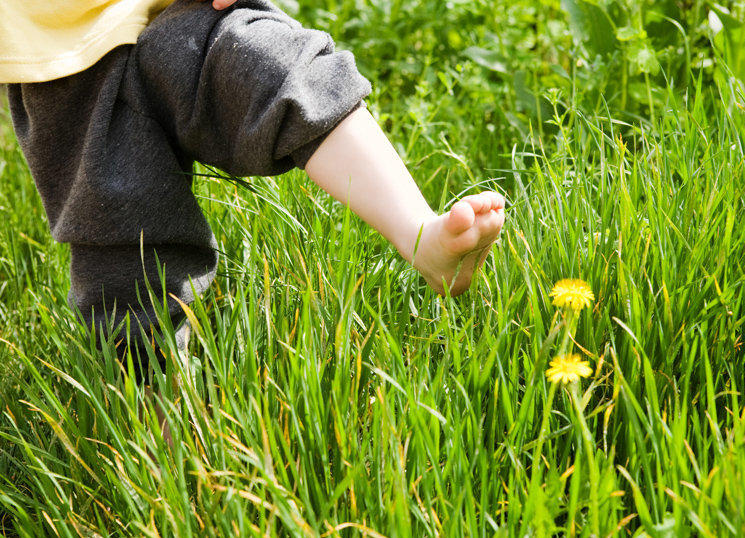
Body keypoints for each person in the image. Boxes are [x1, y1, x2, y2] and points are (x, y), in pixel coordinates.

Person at [2, 0, 505, 373]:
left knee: (275, 64)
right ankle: (156, 406)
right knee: (119, 218)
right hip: (60, 44)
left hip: (185, 10)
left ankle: (421, 235)